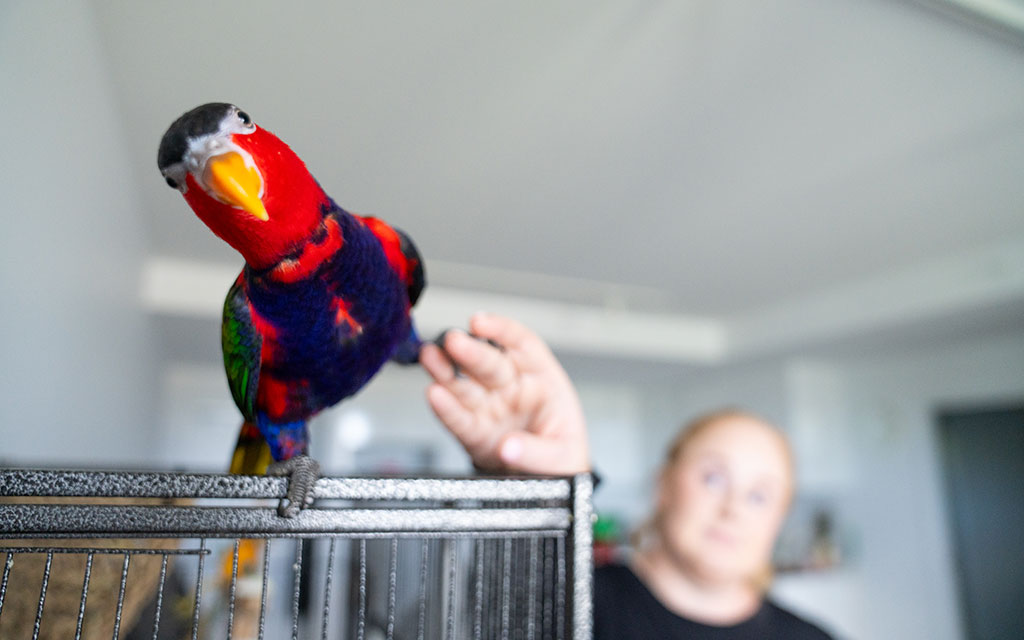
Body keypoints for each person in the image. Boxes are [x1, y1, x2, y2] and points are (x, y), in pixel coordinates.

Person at [419, 312, 834, 639]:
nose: (733, 510)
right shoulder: (571, 604)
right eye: (714, 478)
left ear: (779, 519)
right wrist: (532, 485)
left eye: (760, 496)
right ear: (663, 484)